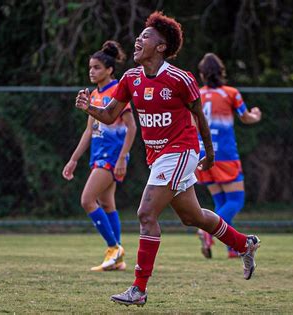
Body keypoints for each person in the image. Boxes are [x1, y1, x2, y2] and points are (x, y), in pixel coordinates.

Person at [75, 12, 261, 307]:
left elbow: (198, 116)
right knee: (193, 217)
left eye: (146, 37)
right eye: (139, 36)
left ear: (161, 47)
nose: (138, 40)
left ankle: (138, 289)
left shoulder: (179, 79)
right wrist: (89, 109)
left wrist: (209, 153)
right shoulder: (131, 78)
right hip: (158, 156)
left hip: (181, 151)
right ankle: (244, 244)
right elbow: (111, 115)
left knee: (146, 213)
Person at [62, 41, 137, 272]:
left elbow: (132, 127)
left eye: (96, 67)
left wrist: (124, 157)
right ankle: (118, 259)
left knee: (87, 200)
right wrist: (74, 159)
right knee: (106, 203)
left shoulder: (117, 91)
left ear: (109, 70)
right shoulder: (93, 94)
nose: (91, 71)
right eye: (90, 67)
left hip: (112, 156)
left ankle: (114, 247)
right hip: (98, 154)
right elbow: (89, 131)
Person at [195, 53, 262, 259]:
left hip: (203, 153)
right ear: (221, 72)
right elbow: (246, 117)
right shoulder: (230, 93)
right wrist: (256, 115)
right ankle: (207, 230)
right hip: (224, 153)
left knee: (220, 202)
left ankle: (233, 249)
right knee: (236, 200)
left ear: (202, 74)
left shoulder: (197, 93)